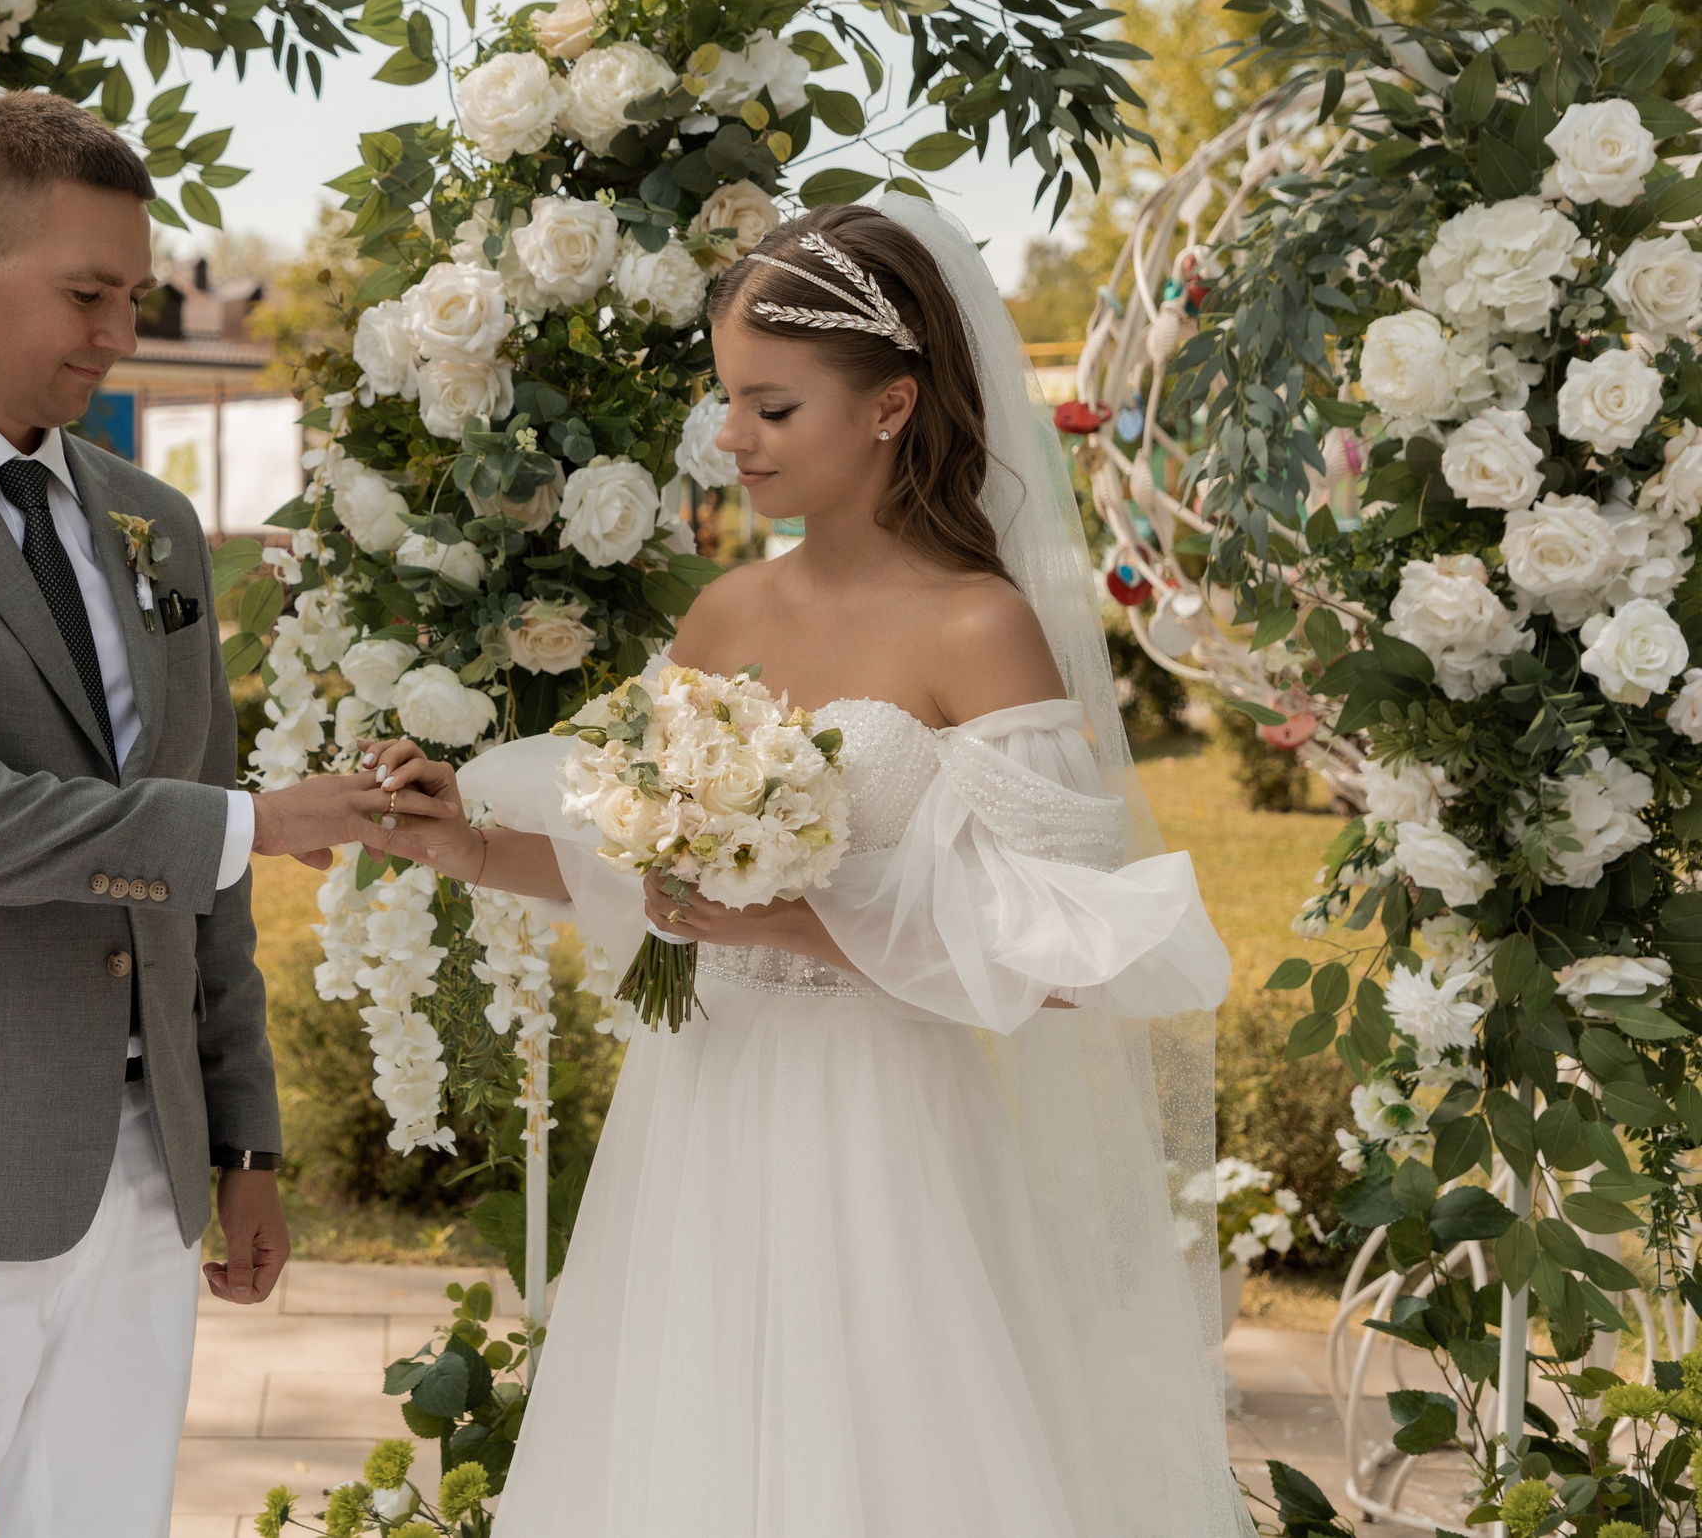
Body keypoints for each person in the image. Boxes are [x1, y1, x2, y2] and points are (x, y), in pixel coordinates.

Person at [352, 198, 1249, 1536]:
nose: (733, 440)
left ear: (890, 407)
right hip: (700, 1106)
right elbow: (640, 858)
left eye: (772, 409)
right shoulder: (726, 614)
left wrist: (796, 926)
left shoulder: (977, 627)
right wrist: (472, 842)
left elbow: (1069, 953)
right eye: (729, 403)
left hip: (881, 1124)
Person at [0, 90, 453, 1538]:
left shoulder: (153, 522)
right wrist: (250, 824)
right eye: (89, 294)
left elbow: (200, 880)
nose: (121, 330)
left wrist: (241, 1141)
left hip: (143, 1166)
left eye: (135, 292)